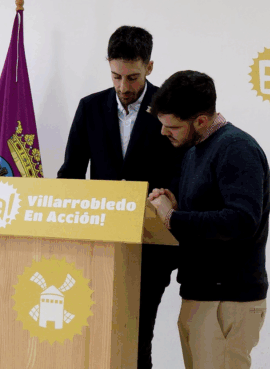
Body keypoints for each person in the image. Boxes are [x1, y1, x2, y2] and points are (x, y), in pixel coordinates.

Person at [58, 26, 182, 369]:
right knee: (96, 336)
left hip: (151, 247)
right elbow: (70, 174)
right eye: (116, 76)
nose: (124, 87)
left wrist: (169, 200)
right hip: (99, 244)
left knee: (138, 339)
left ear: (149, 67)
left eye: (133, 77)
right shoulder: (90, 107)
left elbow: (181, 172)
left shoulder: (170, 108)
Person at [147, 70, 270, 369]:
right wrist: (178, 207)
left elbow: (241, 220)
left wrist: (173, 218)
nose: (164, 133)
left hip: (226, 300)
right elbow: (209, 213)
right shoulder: (195, 150)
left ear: (201, 121)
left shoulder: (236, 148)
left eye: (172, 126)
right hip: (200, 296)